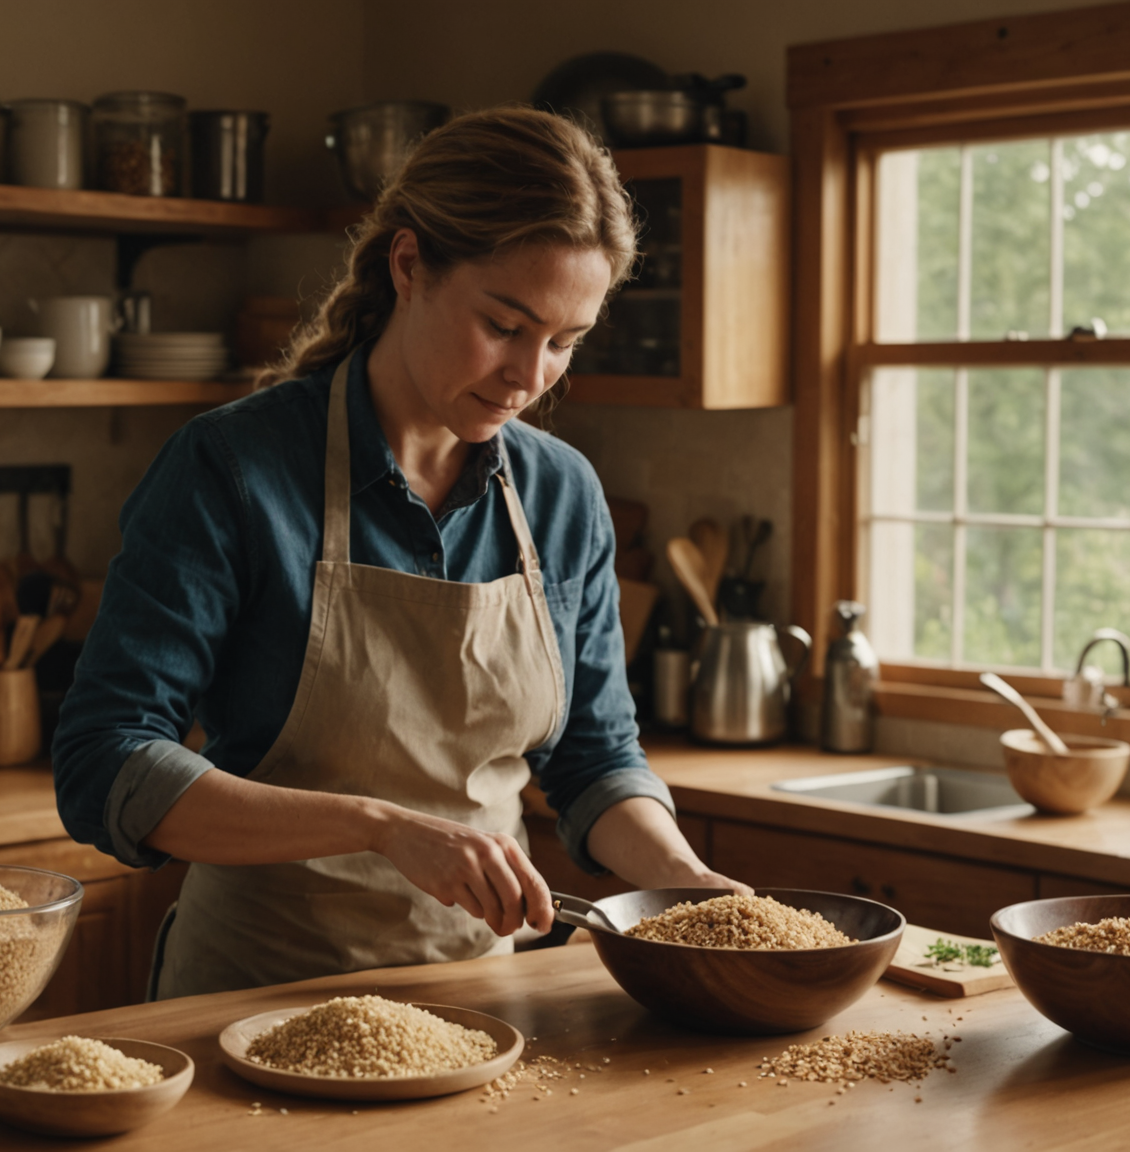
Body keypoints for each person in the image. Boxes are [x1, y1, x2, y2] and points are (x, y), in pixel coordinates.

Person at [52, 106, 741, 999]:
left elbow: (593, 759)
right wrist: (381, 826)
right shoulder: (233, 469)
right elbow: (105, 757)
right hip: (249, 999)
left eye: (564, 343)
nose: (529, 378)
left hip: (484, 1007)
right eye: (504, 325)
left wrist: (687, 885)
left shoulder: (561, 495)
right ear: (409, 265)